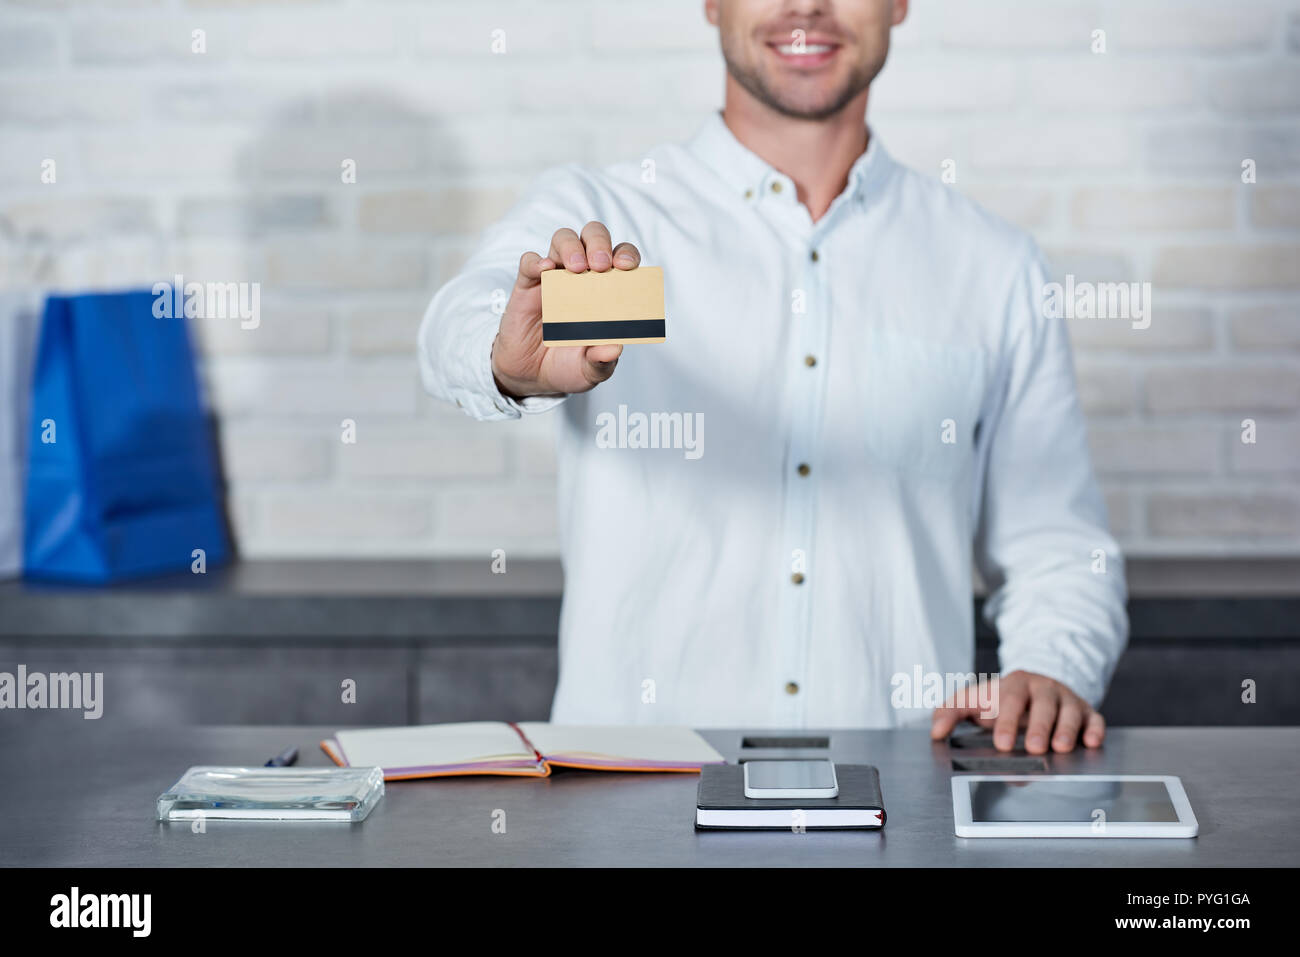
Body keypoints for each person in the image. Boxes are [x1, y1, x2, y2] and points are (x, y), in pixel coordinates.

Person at [418, 0, 1127, 754]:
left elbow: (1055, 544)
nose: (806, 6)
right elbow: (454, 321)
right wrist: (507, 359)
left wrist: (1051, 667)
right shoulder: (605, 213)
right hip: (629, 802)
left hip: (900, 798)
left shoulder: (992, 264)